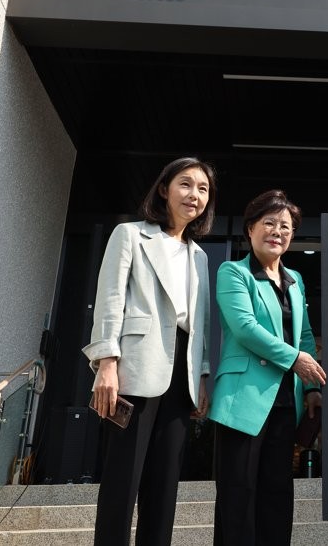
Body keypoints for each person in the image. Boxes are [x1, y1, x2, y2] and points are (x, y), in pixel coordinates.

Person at [82, 156, 216, 546]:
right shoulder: (129, 234)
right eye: (186, 184)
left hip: (181, 374)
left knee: (164, 487)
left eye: (204, 189)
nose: (195, 195)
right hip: (134, 369)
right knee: (122, 483)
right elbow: (109, 299)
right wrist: (106, 363)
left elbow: (199, 322)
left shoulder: (200, 256)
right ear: (164, 189)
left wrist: (201, 376)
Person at [209, 189, 327, 546]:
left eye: (286, 227)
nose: (278, 231)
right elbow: (244, 327)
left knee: (277, 494)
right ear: (250, 229)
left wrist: (311, 389)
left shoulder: (295, 280)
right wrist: (294, 359)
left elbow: (303, 334)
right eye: (269, 223)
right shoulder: (234, 272)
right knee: (238, 493)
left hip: (283, 402)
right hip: (242, 399)